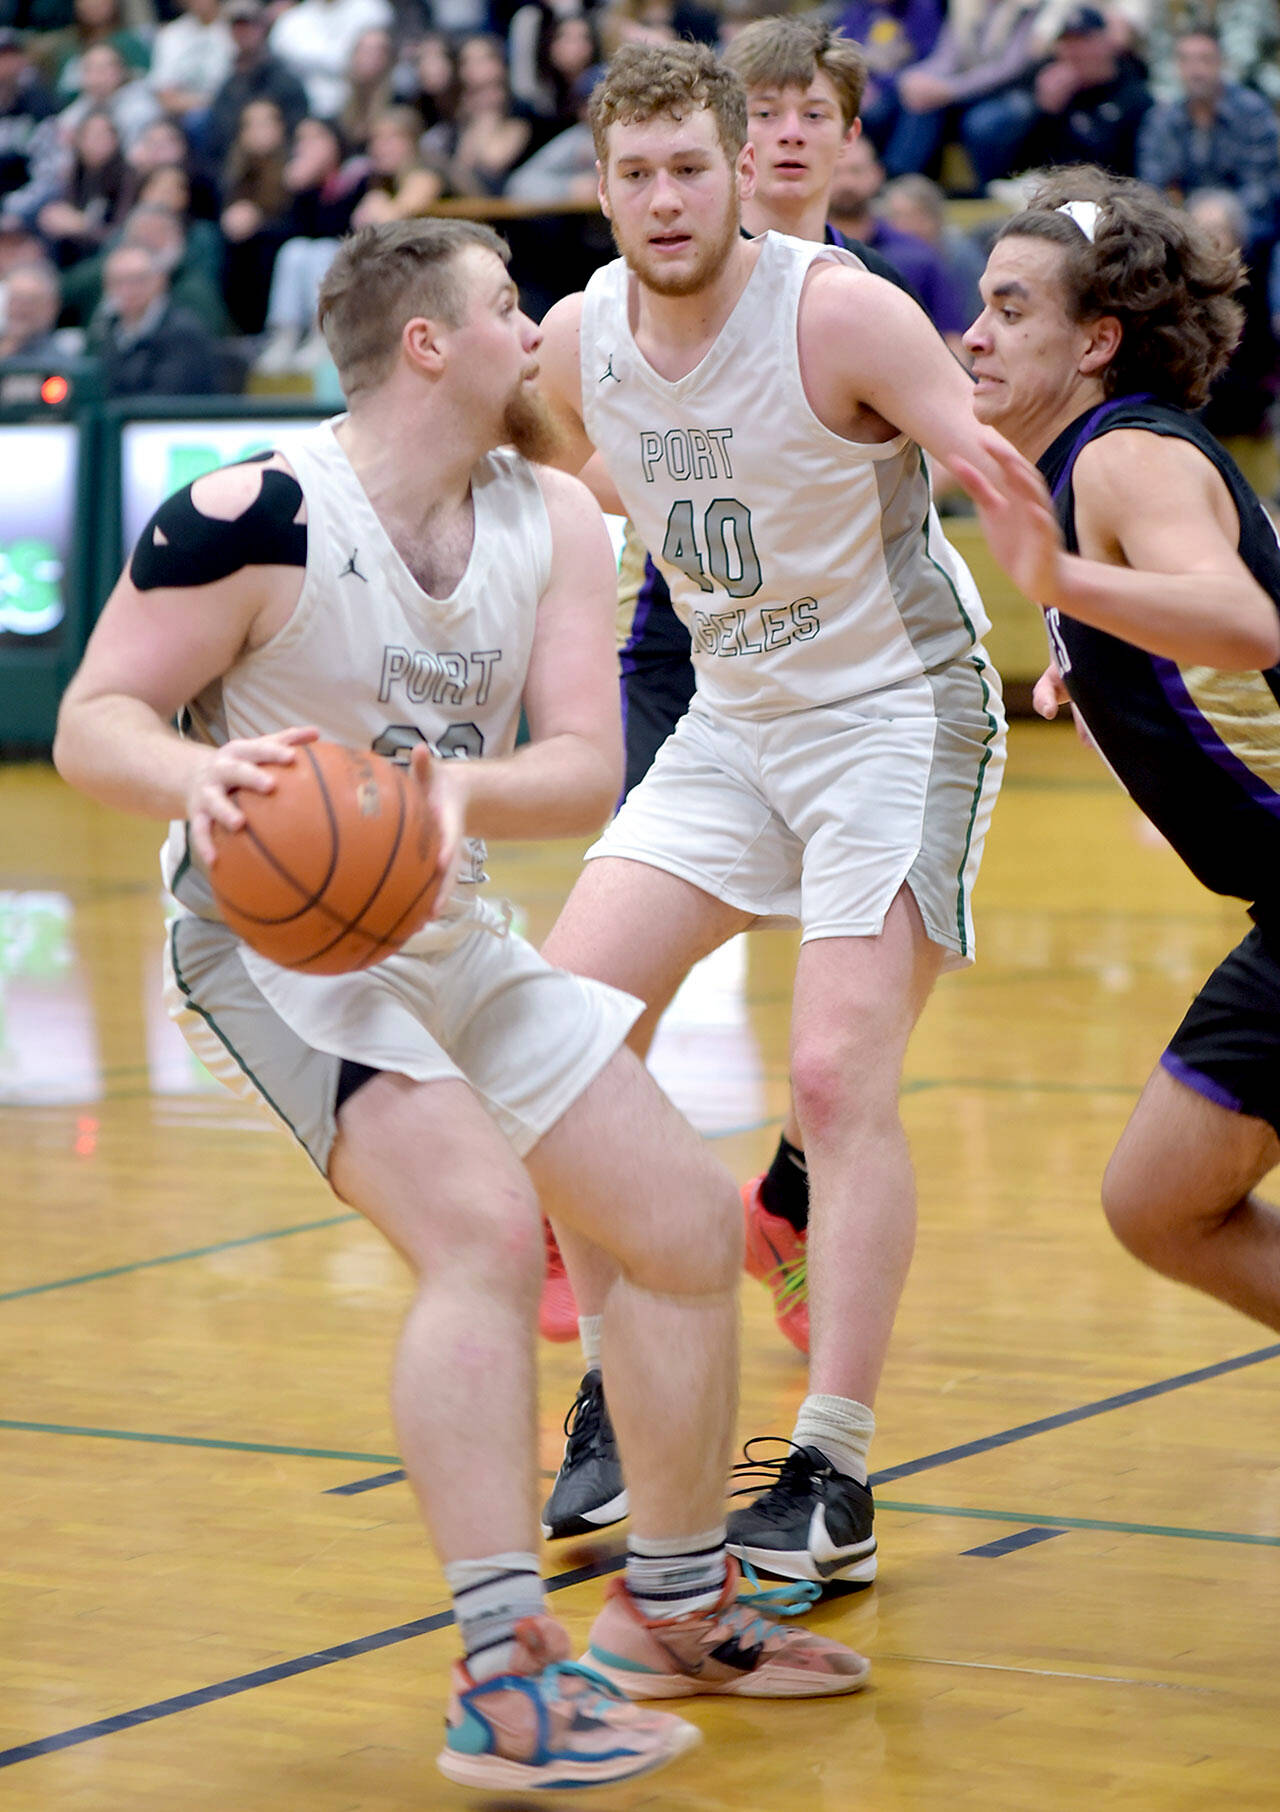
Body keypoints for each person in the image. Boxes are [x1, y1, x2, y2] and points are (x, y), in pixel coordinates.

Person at [52, 216, 870, 1796]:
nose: (539, 326)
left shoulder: (557, 517)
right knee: (487, 1235)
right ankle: (503, 1676)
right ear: (430, 342)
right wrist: (203, 776)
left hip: (443, 915)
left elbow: (581, 769)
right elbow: (95, 720)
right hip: (270, 943)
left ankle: (675, 1609)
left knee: (688, 1233)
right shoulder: (252, 517)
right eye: (512, 307)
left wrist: (446, 806)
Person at [534, 43, 1011, 1586]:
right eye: (636, 173)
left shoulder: (840, 310)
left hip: (893, 715)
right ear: (599, 187)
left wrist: (1090, 603)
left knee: (829, 1067)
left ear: (748, 168)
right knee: (559, 1040)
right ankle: (617, 1386)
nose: (666, 197)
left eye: (692, 166)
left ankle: (835, 1466)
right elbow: (577, 465)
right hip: (735, 722)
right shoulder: (577, 335)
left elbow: (996, 464)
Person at [958, 168, 1280, 1340]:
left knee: (1159, 1201)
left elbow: (1244, 622)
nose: (971, 333)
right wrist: (1089, 661)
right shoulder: (1086, 465)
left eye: (1007, 309)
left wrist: (1055, 585)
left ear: (1096, 342)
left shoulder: (1118, 459)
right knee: (1158, 1201)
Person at [1137, 27, 1280, 258]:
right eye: (1186, 60)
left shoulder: (1252, 112)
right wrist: (1190, 217)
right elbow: (1152, 185)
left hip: (1247, 227)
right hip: (1181, 226)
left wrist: (1221, 214)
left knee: (1218, 229)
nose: (1196, 71)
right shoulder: (1162, 120)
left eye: (1205, 59)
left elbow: (1262, 187)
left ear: (1222, 63)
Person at [87, 238, 230, 393]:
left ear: (160, 280)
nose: (127, 290)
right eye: (117, 282)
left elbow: (169, 399)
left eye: (137, 280)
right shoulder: (105, 331)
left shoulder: (183, 334)